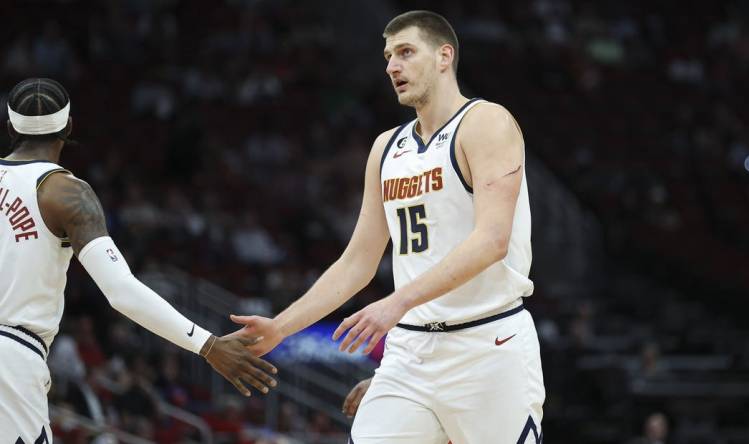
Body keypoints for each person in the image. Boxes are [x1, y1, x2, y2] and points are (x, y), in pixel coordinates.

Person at [230, 10, 544, 443]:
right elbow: (357, 262)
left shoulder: (486, 123)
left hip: (488, 344)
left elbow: (491, 241)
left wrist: (394, 304)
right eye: (388, 56)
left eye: (406, 52)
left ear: (444, 56)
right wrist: (281, 328)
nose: (392, 66)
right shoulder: (386, 148)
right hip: (410, 352)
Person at [0, 78, 277, 444]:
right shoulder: (64, 192)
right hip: (10, 356)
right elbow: (120, 291)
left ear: (9, 126)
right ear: (69, 126)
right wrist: (207, 344)